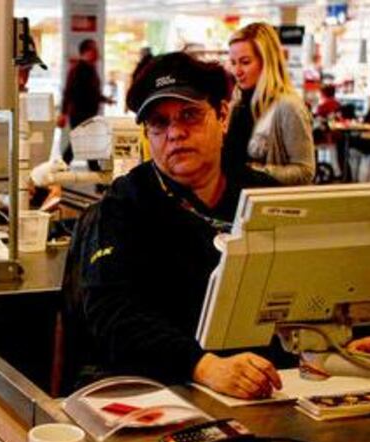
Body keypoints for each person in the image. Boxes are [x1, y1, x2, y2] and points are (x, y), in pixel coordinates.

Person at [63, 52, 283, 400]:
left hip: (268, 386)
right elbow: (112, 314)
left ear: (223, 116)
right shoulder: (125, 204)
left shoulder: (267, 197)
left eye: (190, 115)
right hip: (157, 390)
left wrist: (338, 338)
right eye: (159, 123)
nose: (176, 133)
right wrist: (203, 366)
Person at [225, 22, 315, 185]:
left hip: (265, 200)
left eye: (245, 62)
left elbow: (305, 171)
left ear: (267, 62)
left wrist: (254, 171)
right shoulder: (238, 103)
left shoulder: (288, 106)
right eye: (233, 63)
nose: (237, 71)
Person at [59, 38, 113, 164]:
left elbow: (93, 92)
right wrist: (63, 113)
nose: (98, 53)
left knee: (86, 142)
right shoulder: (78, 69)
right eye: (95, 50)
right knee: (78, 142)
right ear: (86, 51)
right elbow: (68, 92)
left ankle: (93, 170)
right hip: (79, 114)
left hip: (88, 113)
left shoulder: (90, 69)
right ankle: (63, 165)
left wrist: (106, 100)